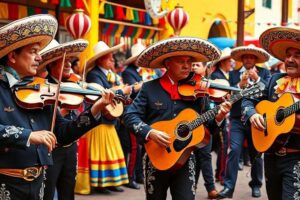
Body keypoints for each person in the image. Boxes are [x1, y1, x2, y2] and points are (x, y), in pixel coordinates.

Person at [0, 14, 114, 200]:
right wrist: (28, 135)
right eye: (33, 52)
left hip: (38, 185)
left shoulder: (40, 89)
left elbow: (62, 133)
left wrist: (96, 109)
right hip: (5, 184)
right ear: (12, 56)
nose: (39, 57)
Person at [123, 37, 232, 200]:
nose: (187, 65)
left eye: (189, 61)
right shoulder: (149, 88)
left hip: (185, 160)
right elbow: (130, 116)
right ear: (167, 63)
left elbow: (208, 128)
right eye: (181, 61)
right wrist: (150, 132)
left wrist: (219, 117)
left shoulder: (198, 91)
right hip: (156, 158)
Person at [243, 26, 300, 200]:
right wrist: (253, 114)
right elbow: (248, 99)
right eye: (288, 55)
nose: (290, 59)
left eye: (297, 55)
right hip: (270, 156)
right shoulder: (275, 80)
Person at [75, 41, 131, 194]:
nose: (112, 61)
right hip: (99, 120)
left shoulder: (106, 74)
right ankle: (101, 183)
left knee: (109, 151)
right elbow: (103, 95)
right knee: (103, 152)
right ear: (101, 60)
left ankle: (109, 182)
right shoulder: (94, 74)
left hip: (108, 120)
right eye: (109, 58)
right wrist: (123, 91)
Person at [37, 39, 88, 200]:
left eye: (70, 61)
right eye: (63, 60)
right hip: (52, 149)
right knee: (48, 192)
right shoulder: (42, 88)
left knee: (68, 192)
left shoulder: (72, 86)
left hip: (70, 147)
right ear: (51, 64)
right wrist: (62, 111)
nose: (68, 64)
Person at [218, 44, 271, 199]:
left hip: (257, 120)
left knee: (257, 153)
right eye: (245, 57)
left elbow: (270, 91)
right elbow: (227, 96)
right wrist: (240, 85)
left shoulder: (265, 73)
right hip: (236, 120)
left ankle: (256, 185)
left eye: (251, 57)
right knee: (233, 151)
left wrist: (258, 79)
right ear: (241, 59)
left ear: (255, 59)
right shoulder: (233, 74)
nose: (248, 59)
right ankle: (228, 187)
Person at [191, 62, 218, 199]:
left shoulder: (210, 85)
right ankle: (192, 186)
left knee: (205, 156)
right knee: (193, 158)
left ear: (205, 68)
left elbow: (211, 107)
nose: (194, 67)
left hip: (205, 127)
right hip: (188, 127)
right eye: (193, 64)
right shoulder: (186, 83)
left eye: (197, 65)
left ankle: (210, 188)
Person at [210, 48, 232, 184]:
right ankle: (220, 175)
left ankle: (219, 174)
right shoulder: (216, 76)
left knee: (221, 147)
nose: (232, 63)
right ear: (223, 62)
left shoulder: (224, 75)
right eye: (230, 61)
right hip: (218, 115)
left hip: (223, 115)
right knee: (223, 146)